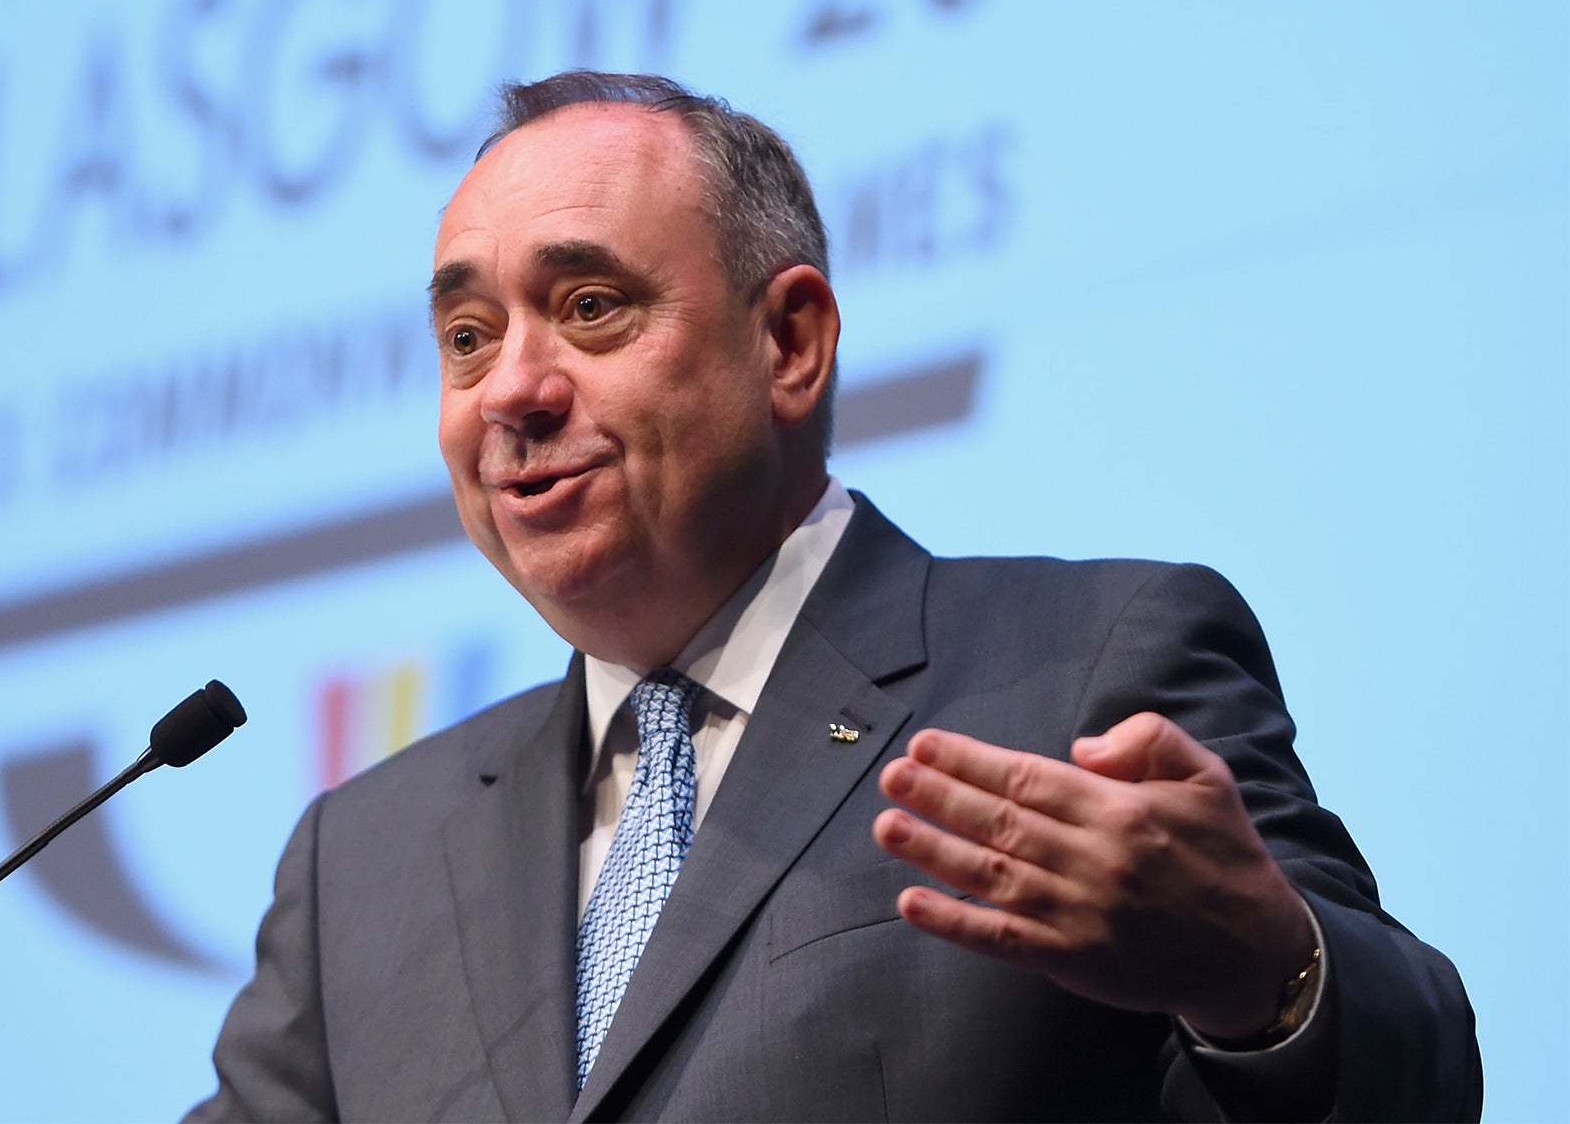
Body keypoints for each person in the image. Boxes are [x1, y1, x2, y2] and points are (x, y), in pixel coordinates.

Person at [191, 72, 1480, 1122]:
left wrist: (1264, 974)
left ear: (790, 343)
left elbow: (1416, 1086)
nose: (512, 391)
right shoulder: (362, 860)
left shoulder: (1088, 671)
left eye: (590, 308)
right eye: (468, 339)